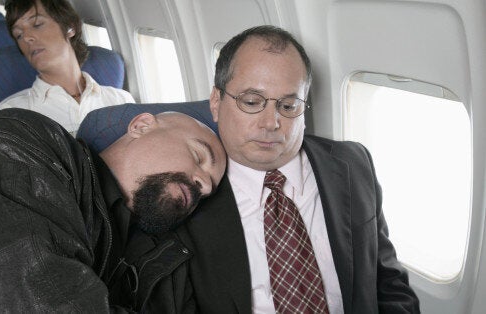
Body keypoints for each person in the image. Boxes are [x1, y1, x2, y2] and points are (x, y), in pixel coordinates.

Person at [0, 108, 227, 312]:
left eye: (208, 187)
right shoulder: (23, 139)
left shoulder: (165, 256)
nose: (204, 184)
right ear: (141, 125)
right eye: (198, 155)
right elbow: (23, 295)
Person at [172, 26, 420, 313]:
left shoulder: (353, 164)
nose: (271, 123)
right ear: (216, 102)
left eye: (288, 106)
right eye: (252, 102)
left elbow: (389, 283)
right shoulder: (188, 191)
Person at [0, 0, 135, 135]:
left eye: (37, 24)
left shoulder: (121, 100)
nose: (26, 37)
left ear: (70, 27)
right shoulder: (13, 112)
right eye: (18, 35)